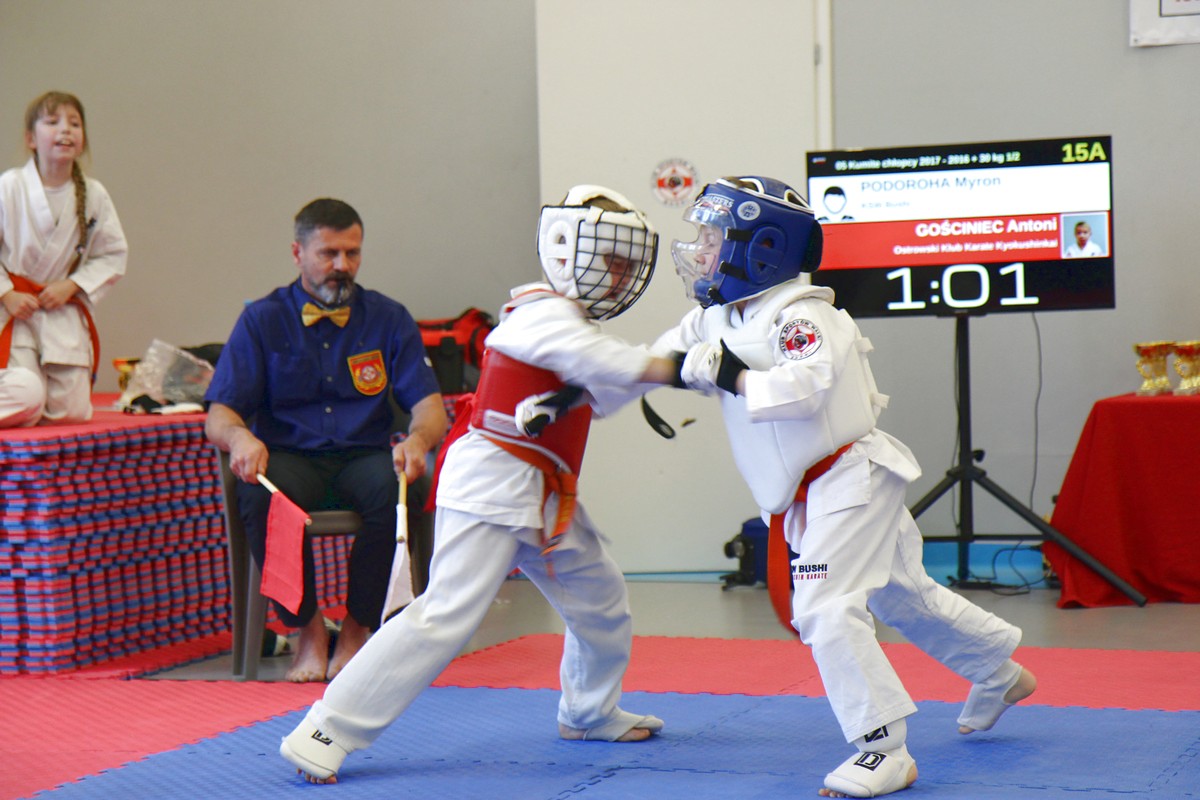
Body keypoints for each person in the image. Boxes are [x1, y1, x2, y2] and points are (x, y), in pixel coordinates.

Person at [279, 185, 686, 784]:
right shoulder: (542, 313)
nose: (619, 275)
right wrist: (679, 365)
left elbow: (607, 386)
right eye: (610, 260)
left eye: (627, 264)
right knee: (444, 615)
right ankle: (325, 729)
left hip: (543, 492)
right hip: (492, 484)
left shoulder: (573, 327)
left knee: (599, 598)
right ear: (566, 251)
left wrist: (689, 352)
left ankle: (589, 711)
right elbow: (606, 364)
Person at [661, 177, 1037, 798]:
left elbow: (804, 389)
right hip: (816, 490)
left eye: (713, 237)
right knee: (901, 595)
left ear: (761, 249)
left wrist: (729, 374)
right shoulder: (716, 315)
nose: (700, 250)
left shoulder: (803, 316)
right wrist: (581, 382)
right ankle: (998, 671)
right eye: (700, 236)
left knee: (826, 608)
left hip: (848, 476)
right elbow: (658, 359)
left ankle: (883, 746)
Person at [205, 198, 447, 683]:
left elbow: (430, 409)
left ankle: (357, 628)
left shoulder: (388, 318)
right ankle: (308, 630)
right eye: (329, 253)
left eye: (352, 253)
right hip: (290, 458)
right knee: (262, 494)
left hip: (365, 456)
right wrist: (240, 437)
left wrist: (418, 441)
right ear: (298, 253)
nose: (342, 265)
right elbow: (219, 414)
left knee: (398, 489)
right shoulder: (262, 320)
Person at [0, 91, 128, 427]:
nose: (65, 130)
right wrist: (7, 294)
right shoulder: (8, 187)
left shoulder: (94, 194)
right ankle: (29, 403)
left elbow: (113, 254)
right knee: (26, 394)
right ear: (31, 139)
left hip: (59, 310)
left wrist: (71, 285)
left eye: (74, 123)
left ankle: (29, 410)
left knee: (72, 412)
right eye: (52, 122)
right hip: (12, 312)